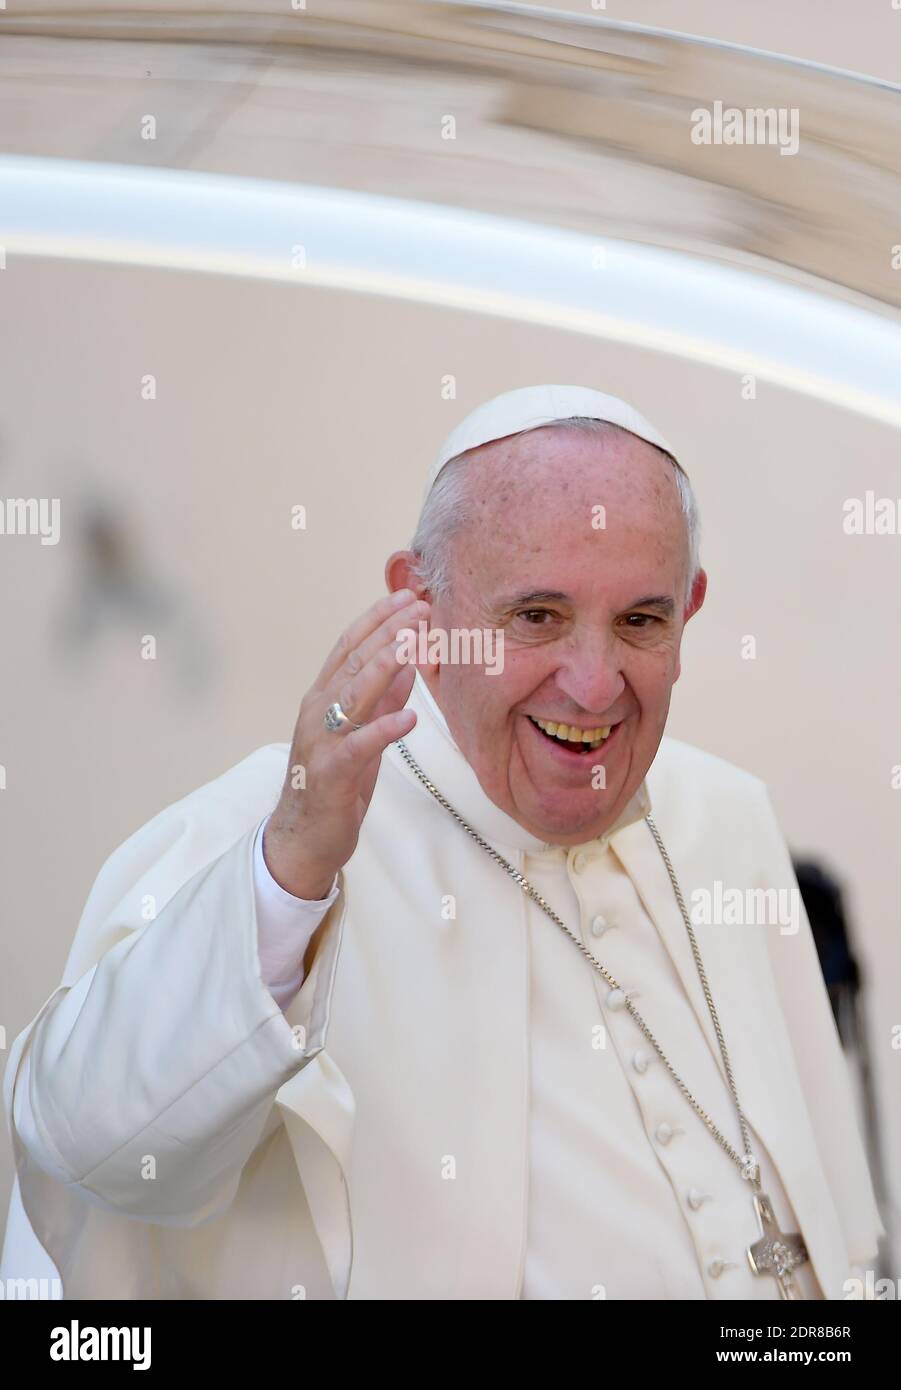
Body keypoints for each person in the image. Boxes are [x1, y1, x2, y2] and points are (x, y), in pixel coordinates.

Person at [2, 384, 884, 1300]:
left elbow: (836, 1218)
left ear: (690, 609)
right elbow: (88, 1143)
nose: (592, 686)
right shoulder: (279, 827)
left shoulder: (726, 815)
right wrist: (291, 872)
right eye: (536, 616)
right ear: (417, 602)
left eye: (639, 621)